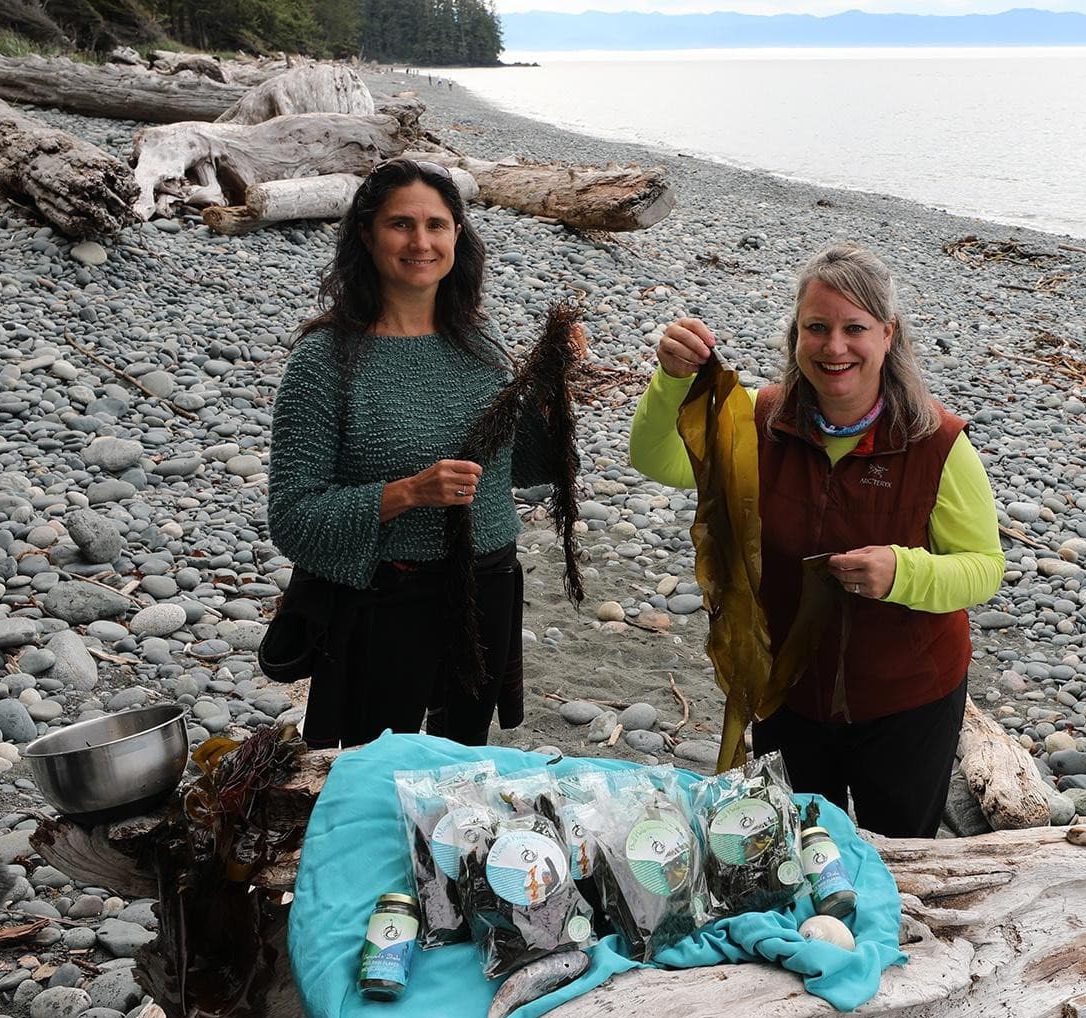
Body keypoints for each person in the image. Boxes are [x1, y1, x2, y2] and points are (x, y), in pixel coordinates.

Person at [628, 243, 1003, 837]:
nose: (834, 347)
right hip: (788, 691)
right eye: (817, 328)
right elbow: (657, 458)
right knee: (797, 844)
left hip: (907, 700)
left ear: (888, 334)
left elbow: (983, 569)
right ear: (795, 335)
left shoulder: (936, 442)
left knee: (899, 853)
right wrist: (671, 381)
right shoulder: (758, 419)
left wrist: (904, 573)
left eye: (855, 328)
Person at [268, 159, 563, 750]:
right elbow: (293, 518)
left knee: (462, 768)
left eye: (437, 224)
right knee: (371, 770)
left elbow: (526, 468)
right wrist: (409, 493)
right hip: (384, 604)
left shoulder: (480, 346)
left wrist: (554, 391)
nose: (421, 242)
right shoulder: (325, 361)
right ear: (365, 235)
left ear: (458, 235)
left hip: (487, 588)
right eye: (401, 224)